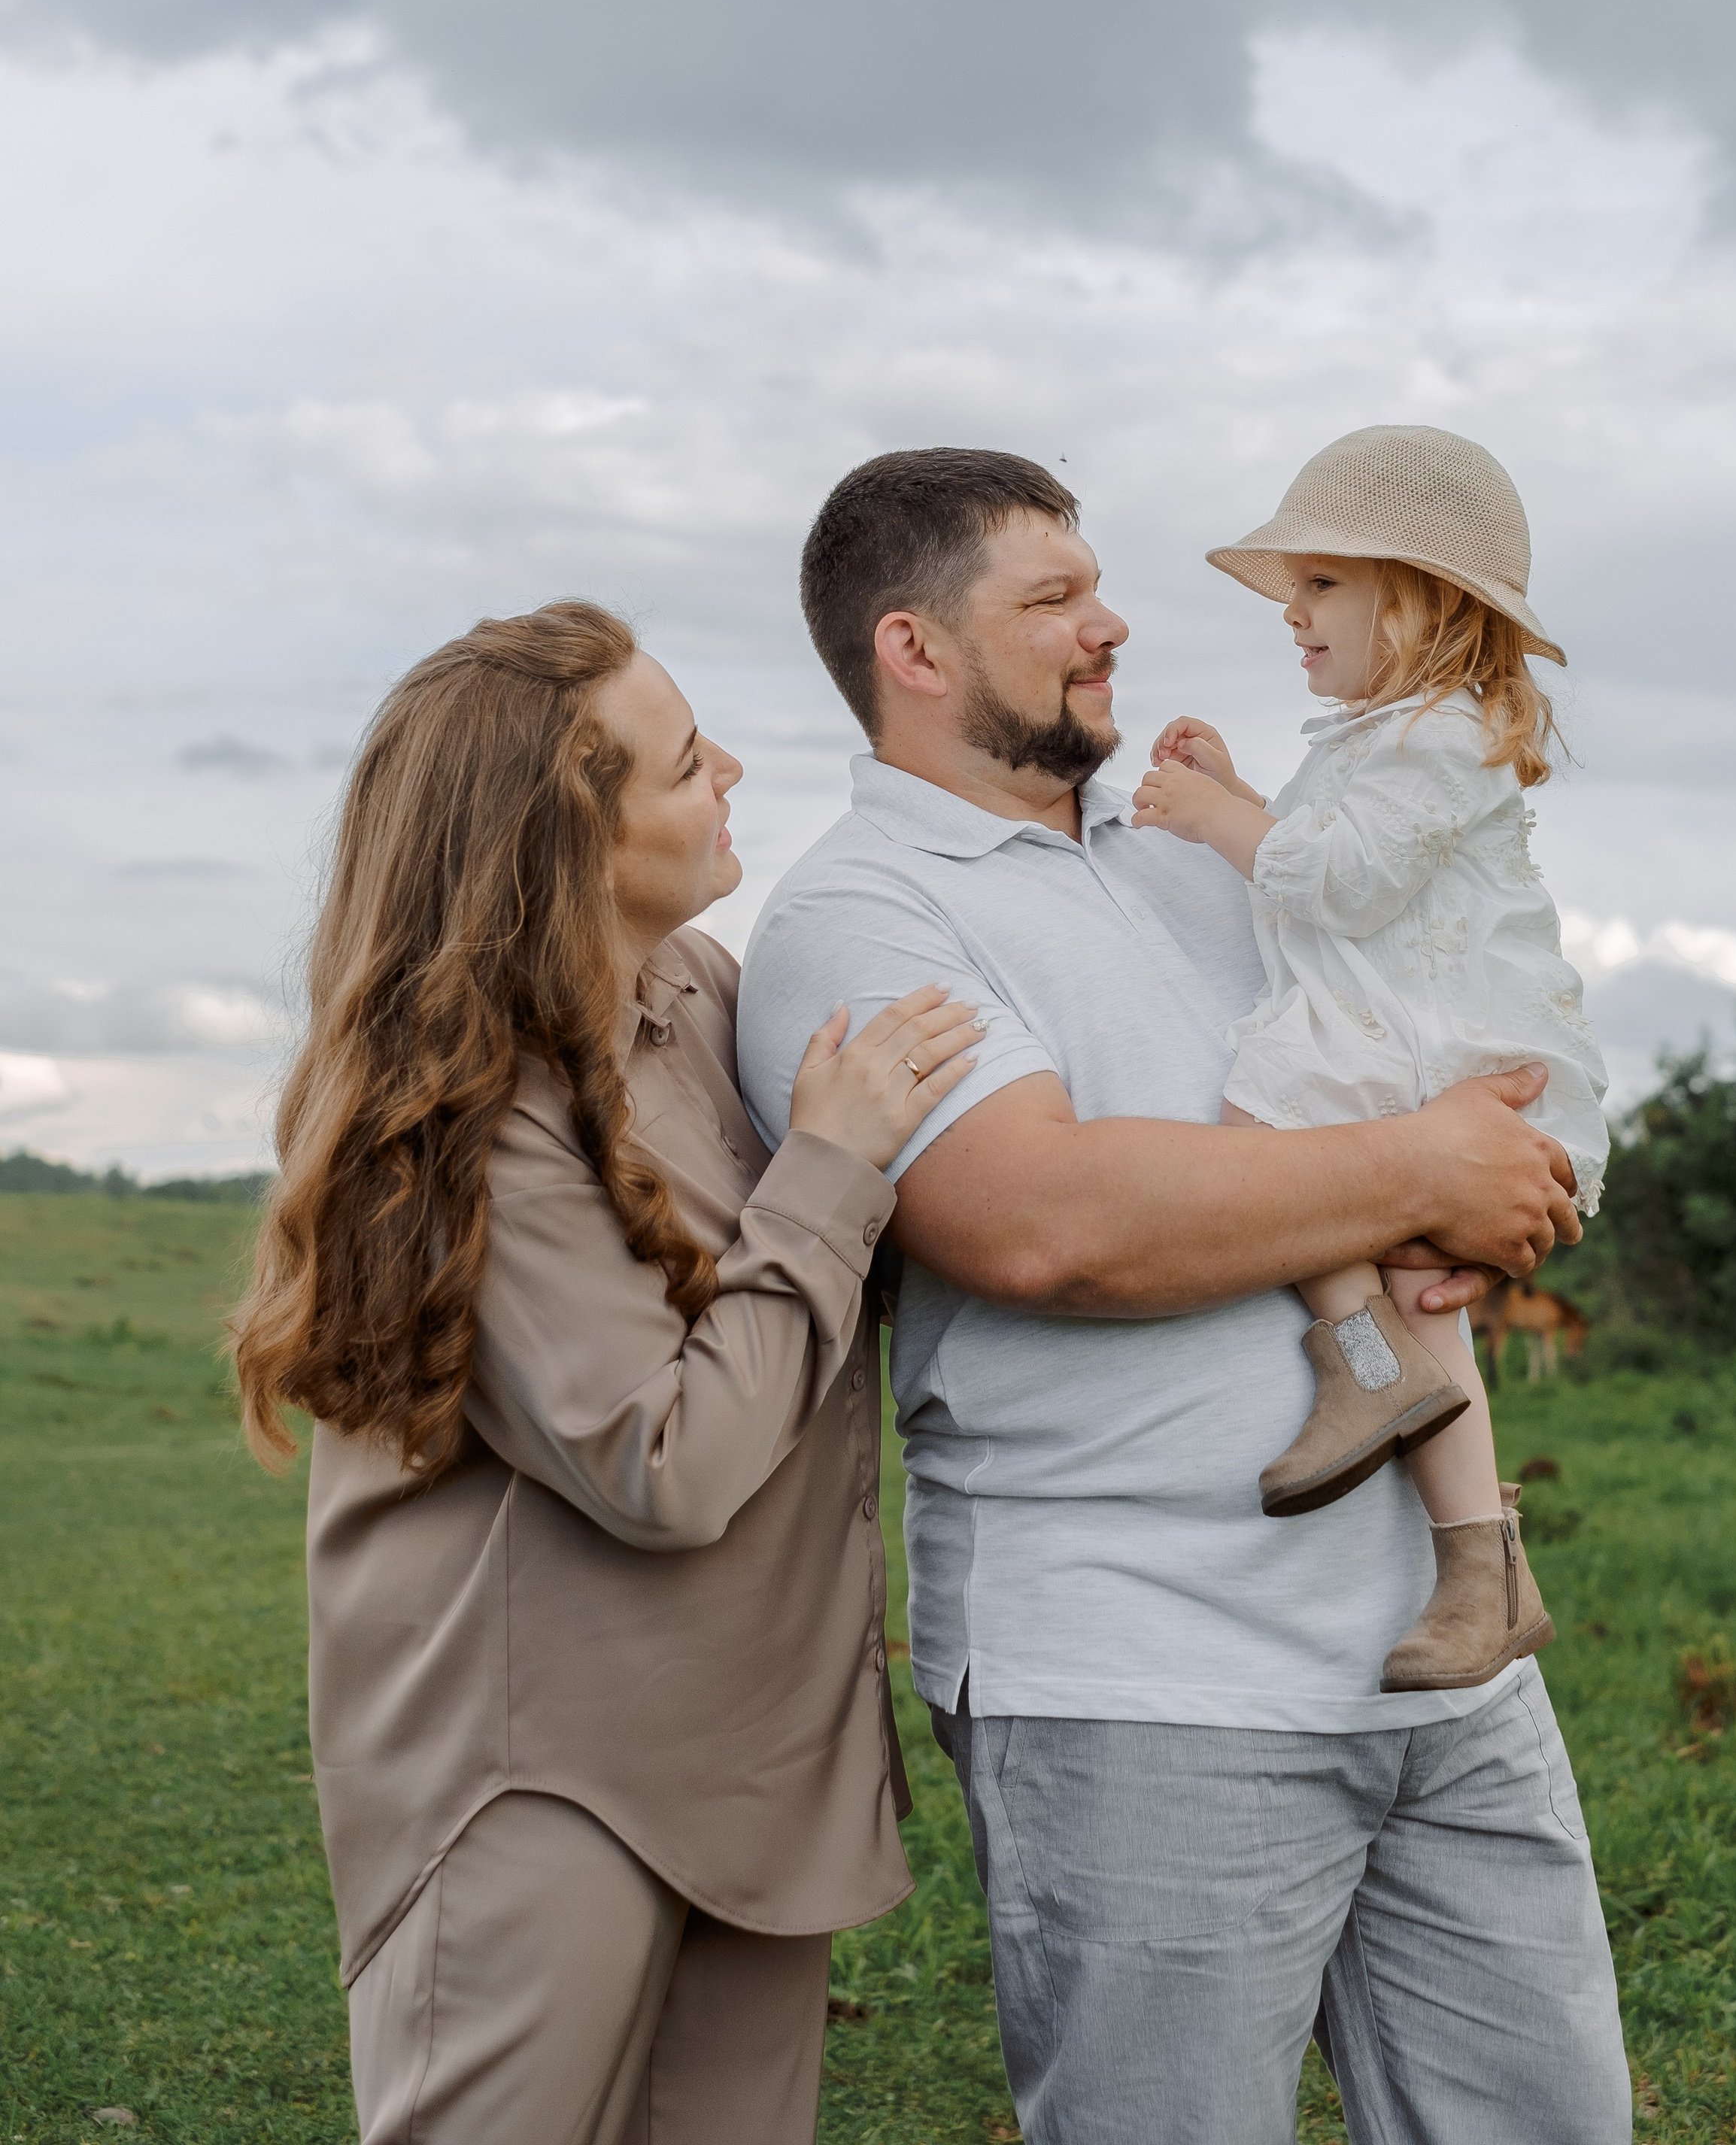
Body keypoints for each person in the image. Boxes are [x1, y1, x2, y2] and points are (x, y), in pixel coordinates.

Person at [737, 449, 1631, 2145]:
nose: (1113, 623)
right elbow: (1042, 1223)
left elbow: (1428, 1052)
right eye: (1054, 600)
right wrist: (1418, 1172)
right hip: (1144, 1683)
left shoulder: (1196, 859)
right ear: (914, 651)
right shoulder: (859, 918)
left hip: (1444, 1667)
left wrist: (1508, 1181)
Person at [230, 599, 982, 2145]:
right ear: (564, 840)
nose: (735, 778)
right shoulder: (472, 1108)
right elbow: (668, 1462)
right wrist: (835, 1161)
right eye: (687, 764)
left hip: (756, 1759)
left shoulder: (702, 996)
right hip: (548, 1786)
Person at [1132, 423, 1609, 1693]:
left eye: (1322, 584)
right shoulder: (1379, 738)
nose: (1293, 614)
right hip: (1401, 1052)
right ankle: (1470, 1544)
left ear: (1420, 599)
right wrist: (1250, 793)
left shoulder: (1445, 733)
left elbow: (1338, 883)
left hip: (1452, 1062)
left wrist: (1213, 815)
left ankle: (1387, 1406)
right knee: (1396, 1279)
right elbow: (1333, 856)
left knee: (1270, 1149)